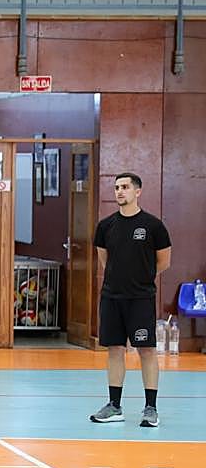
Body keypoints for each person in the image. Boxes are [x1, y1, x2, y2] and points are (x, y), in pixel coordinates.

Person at [89, 172, 172, 429]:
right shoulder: (105, 226)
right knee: (114, 350)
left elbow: (164, 262)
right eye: (116, 187)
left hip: (141, 298)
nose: (119, 191)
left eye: (125, 187)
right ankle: (114, 406)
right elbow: (105, 260)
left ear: (138, 191)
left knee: (146, 350)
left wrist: (140, 279)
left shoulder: (153, 226)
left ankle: (150, 408)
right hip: (112, 297)